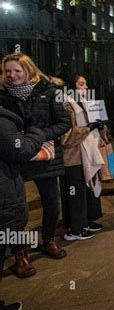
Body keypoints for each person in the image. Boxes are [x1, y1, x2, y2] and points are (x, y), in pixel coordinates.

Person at [0, 53, 70, 258]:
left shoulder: (49, 91)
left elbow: (64, 123)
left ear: (28, 70)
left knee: (51, 200)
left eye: (17, 71)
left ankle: (49, 240)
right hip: (14, 158)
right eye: (7, 71)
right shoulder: (3, 95)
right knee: (16, 208)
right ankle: (19, 252)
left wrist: (37, 136)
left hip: (44, 157)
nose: (12, 75)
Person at [0, 106, 46, 278]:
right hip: (6, 189)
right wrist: (35, 132)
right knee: (10, 223)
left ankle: (20, 253)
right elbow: (20, 150)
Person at [61, 75, 106, 241]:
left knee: (87, 189)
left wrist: (100, 125)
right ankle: (75, 228)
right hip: (73, 155)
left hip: (86, 152)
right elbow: (64, 136)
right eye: (81, 84)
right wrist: (87, 128)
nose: (85, 88)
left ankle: (85, 221)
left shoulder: (84, 102)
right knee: (75, 191)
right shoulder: (65, 105)